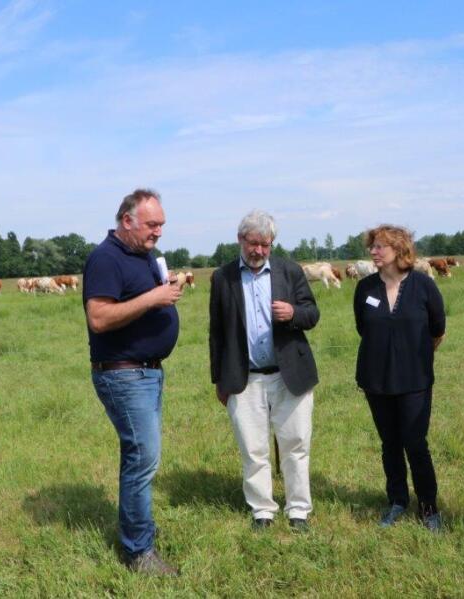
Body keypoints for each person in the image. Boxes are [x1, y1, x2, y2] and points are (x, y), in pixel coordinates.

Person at [82, 188, 182, 575]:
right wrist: (155, 298)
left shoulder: (141, 256)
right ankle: (139, 552)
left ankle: (139, 539)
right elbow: (100, 318)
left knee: (143, 457)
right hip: (124, 373)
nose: (158, 232)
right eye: (152, 224)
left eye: (161, 225)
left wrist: (164, 293)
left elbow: (144, 301)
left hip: (147, 372)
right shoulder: (105, 258)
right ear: (127, 220)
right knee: (142, 459)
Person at [209, 210, 320, 532]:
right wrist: (219, 379)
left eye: (265, 244)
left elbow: (312, 314)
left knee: (296, 444)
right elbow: (216, 333)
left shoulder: (290, 271)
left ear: (272, 243)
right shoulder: (222, 277)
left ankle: (298, 510)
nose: (258, 250)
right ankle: (262, 511)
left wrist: (294, 313)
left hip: (290, 376)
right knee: (252, 448)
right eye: (253, 243)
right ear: (240, 240)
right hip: (245, 379)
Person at [353, 225, 446, 532]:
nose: (373, 252)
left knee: (415, 443)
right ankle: (397, 501)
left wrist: (410, 356)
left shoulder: (423, 285)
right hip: (376, 380)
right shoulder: (364, 288)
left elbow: (437, 329)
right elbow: (363, 329)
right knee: (389, 443)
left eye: (380, 246)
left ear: (399, 250)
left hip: (414, 380)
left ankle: (429, 508)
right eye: (372, 246)